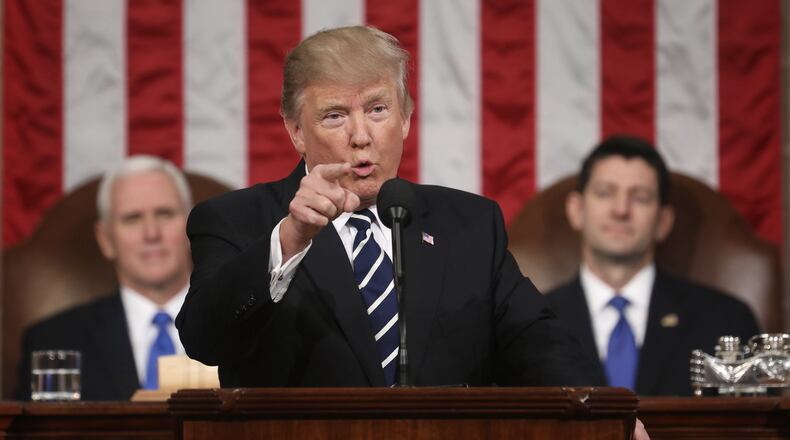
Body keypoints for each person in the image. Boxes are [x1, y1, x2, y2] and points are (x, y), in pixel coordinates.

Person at [545, 135, 761, 396]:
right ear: (577, 210)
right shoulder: (533, 326)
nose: (621, 210)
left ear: (663, 221)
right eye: (605, 193)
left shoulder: (726, 322)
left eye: (641, 197)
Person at [16, 155, 194, 400]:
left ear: (193, 226)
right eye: (132, 218)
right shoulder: (54, 341)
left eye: (164, 214)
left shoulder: (248, 330)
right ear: (106, 239)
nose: (151, 233)